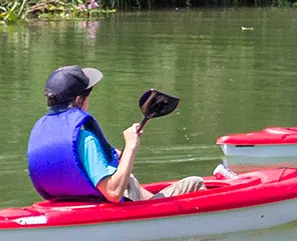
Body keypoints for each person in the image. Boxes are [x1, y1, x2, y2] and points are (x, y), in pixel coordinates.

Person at [26, 66, 209, 203]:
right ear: (80, 100)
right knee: (195, 183)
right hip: (106, 211)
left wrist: (118, 156)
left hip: (67, 206)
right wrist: (130, 146)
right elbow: (113, 193)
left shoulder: (44, 133)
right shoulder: (86, 140)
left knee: (128, 178)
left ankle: (153, 200)